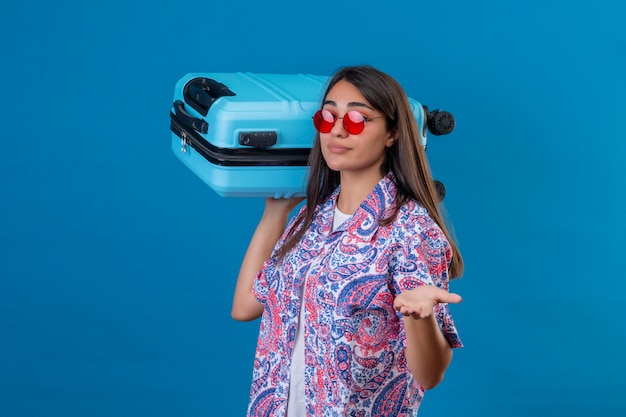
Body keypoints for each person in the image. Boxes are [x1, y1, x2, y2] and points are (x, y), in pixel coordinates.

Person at [231, 65, 464, 417]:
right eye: (327, 117)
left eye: (357, 119)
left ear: (392, 134)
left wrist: (420, 317)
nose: (337, 130)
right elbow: (246, 307)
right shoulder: (313, 218)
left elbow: (430, 375)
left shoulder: (412, 230)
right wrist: (275, 214)